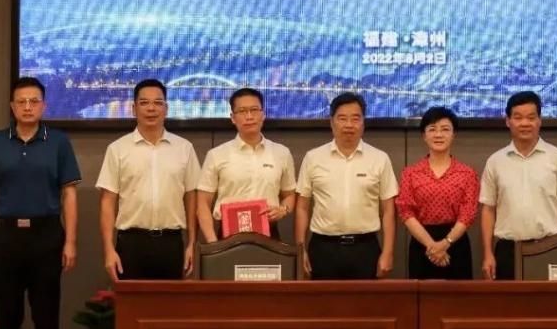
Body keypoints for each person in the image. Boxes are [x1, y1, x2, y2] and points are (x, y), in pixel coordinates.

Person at [0, 77, 80, 329]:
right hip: (5, 237)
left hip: (47, 236)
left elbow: (69, 194)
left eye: (34, 101)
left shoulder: (58, 142)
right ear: (12, 106)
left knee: (46, 319)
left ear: (44, 106)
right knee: (7, 319)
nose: (28, 107)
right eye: (21, 102)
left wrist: (70, 242)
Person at [97, 79, 201, 281]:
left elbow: (191, 198)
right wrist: (109, 249)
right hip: (131, 243)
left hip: (171, 243)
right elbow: (107, 202)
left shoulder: (184, 148)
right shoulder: (117, 149)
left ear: (166, 108)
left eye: (158, 103)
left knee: (170, 302)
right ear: (134, 109)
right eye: (144, 103)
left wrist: (191, 244)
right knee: (132, 301)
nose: (151, 108)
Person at [295, 92, 398, 280]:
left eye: (355, 118)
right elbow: (302, 207)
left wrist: (388, 252)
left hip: (365, 248)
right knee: (323, 299)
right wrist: (300, 250)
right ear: (331, 122)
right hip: (323, 248)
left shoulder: (379, 159)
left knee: (365, 299)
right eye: (342, 118)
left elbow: (389, 210)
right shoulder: (313, 158)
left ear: (363, 122)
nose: (349, 125)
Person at [479, 91, 557, 281]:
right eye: (518, 118)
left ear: (539, 121)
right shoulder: (495, 161)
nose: (525, 123)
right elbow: (488, 209)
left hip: (550, 248)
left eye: (531, 117)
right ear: (508, 121)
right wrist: (487, 253)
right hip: (508, 250)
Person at [196, 88, 296, 242]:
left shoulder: (281, 153)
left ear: (263, 114)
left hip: (269, 234)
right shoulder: (216, 155)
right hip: (228, 235)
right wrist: (212, 242)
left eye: (254, 110)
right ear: (233, 118)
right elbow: (203, 203)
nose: (249, 116)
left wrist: (283, 210)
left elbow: (290, 194)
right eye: (242, 111)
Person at [396, 106, 479, 279]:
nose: (438, 135)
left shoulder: (467, 173)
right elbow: (406, 212)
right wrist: (432, 246)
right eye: (432, 129)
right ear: (424, 135)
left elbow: (468, 213)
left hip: (456, 243)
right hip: (422, 243)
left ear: (453, 135)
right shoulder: (410, 173)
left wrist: (446, 243)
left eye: (445, 129)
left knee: (458, 295)